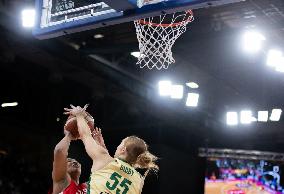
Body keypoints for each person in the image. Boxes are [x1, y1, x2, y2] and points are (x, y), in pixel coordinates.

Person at [64, 105, 159, 194]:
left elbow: (85, 135)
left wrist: (79, 115)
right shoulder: (139, 181)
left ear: (123, 150)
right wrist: (102, 147)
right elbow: (115, 173)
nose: (118, 146)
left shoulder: (104, 159)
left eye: (120, 144)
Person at [50, 119, 106, 194]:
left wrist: (101, 146)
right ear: (62, 168)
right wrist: (69, 135)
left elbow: (106, 171)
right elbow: (59, 151)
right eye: (69, 161)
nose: (74, 162)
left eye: (76, 161)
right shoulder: (61, 182)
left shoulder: (88, 187)